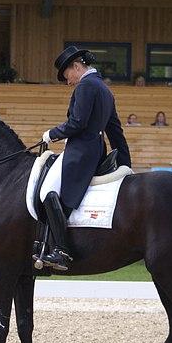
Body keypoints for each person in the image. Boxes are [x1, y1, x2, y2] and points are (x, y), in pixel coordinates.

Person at [38, 46, 131, 270]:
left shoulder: (86, 86)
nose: (68, 82)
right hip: (96, 150)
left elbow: (77, 123)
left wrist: (52, 134)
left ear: (77, 67)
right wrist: (126, 162)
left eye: (67, 75)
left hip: (80, 153)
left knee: (47, 190)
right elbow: (115, 129)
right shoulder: (104, 89)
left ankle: (60, 249)